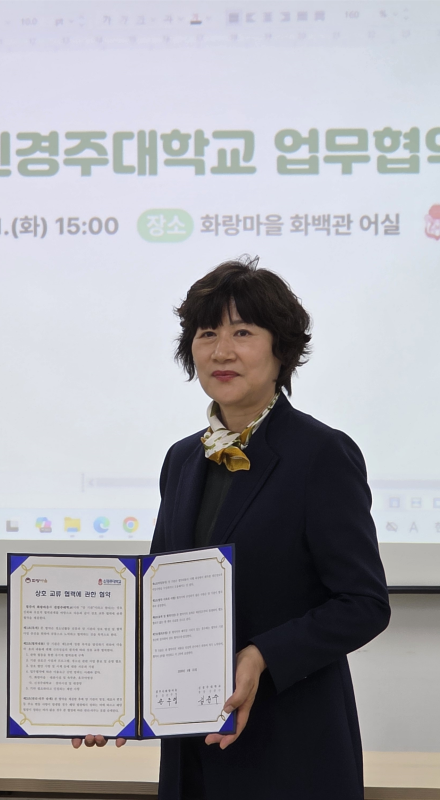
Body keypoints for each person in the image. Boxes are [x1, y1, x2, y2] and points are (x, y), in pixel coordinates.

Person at [74, 258, 390, 800]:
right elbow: (159, 597)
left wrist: (261, 654)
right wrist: (110, 693)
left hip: (291, 752)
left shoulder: (320, 454)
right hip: (193, 754)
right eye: (207, 334)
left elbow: (364, 603)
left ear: (280, 349)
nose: (222, 351)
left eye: (243, 332)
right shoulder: (182, 460)